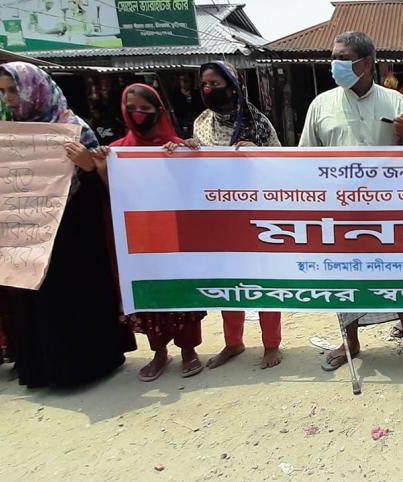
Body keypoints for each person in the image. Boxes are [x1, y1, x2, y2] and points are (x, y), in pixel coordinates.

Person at [0, 62, 136, 388]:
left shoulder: (72, 127)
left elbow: (105, 191)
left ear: (36, 88)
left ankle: (87, 367)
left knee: (73, 299)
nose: (10, 98)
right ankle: (41, 370)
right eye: (3, 91)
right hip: (22, 233)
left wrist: (88, 166)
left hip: (71, 236)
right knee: (32, 302)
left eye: (15, 89)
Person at [298, 31, 403, 370]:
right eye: (333, 58)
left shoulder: (395, 101)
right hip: (341, 212)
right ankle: (350, 342)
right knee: (345, 278)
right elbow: (305, 159)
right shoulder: (321, 105)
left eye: (342, 58)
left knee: (400, 275)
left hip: (391, 211)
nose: (334, 64)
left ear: (366, 63)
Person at [165, 61, 283, 370]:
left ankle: (271, 344)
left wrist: (258, 154)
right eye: (204, 84)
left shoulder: (259, 123)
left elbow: (280, 166)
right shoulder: (202, 122)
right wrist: (188, 150)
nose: (208, 90)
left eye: (215, 84)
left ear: (233, 87)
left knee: (263, 280)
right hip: (217, 214)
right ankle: (234, 342)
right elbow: (199, 168)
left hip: (256, 213)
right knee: (228, 280)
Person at [92, 83, 207, 381]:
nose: (139, 114)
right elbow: (114, 196)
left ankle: (189, 350)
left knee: (181, 292)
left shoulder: (176, 146)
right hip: (140, 238)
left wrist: (189, 154)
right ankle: (159, 352)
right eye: (132, 109)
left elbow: (196, 188)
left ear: (159, 110)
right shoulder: (116, 152)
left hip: (176, 235)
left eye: (145, 108)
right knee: (148, 293)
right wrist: (102, 168)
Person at [171, 74, 205, 139]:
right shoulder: (176, 94)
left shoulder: (196, 93)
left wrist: (190, 98)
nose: (184, 83)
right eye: (182, 80)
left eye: (186, 81)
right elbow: (178, 109)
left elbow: (200, 107)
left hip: (196, 117)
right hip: (183, 119)